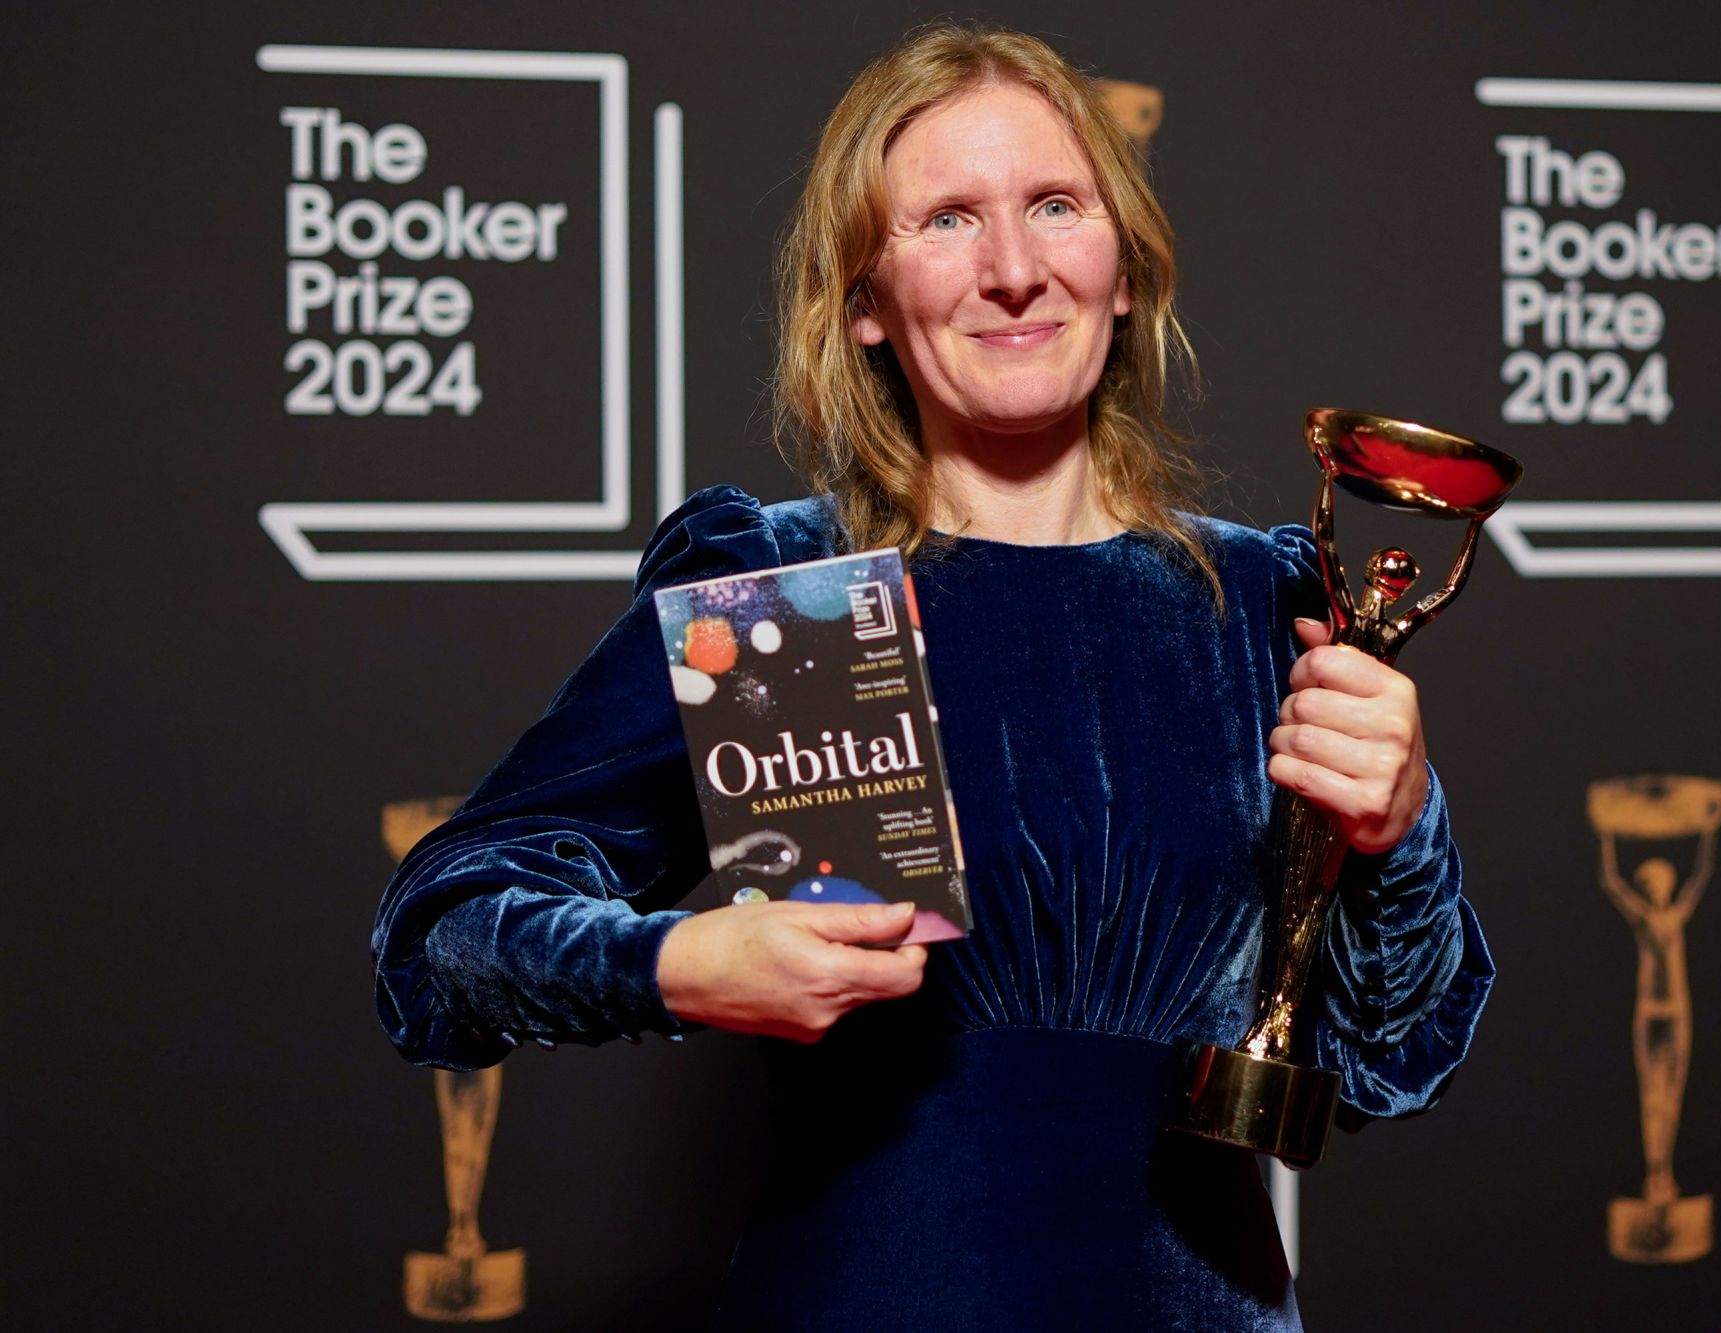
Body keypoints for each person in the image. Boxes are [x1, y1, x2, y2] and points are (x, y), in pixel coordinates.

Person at [373, 23, 1492, 1330]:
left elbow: (1391, 1061)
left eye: (1055, 206)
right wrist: (677, 959)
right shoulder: (788, 591)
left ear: (1122, 264)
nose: (1013, 270)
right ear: (863, 302)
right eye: (947, 220)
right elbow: (434, 940)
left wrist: (1400, 835)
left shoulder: (1269, 602)